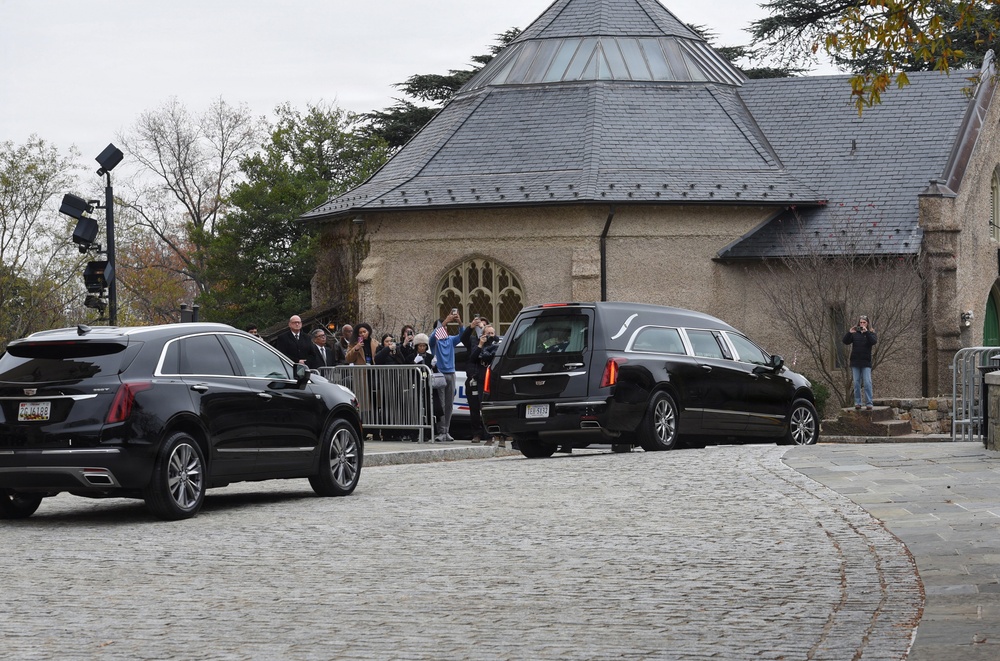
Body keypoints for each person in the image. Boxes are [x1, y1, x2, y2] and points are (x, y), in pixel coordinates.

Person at [430, 310, 465, 442]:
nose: (445, 330)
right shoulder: (435, 342)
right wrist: (445, 321)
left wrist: (459, 321)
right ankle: (441, 431)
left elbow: (462, 335)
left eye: (446, 328)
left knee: (450, 404)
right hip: (440, 374)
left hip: (451, 373)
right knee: (442, 405)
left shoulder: (450, 340)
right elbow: (433, 338)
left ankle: (447, 431)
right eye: (442, 328)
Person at [466, 321, 499, 443]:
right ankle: (486, 435)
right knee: (482, 408)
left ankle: (495, 435)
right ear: (483, 334)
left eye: (492, 333)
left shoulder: (498, 344)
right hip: (481, 380)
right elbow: (473, 358)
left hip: (494, 380)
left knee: (493, 408)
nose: (490, 335)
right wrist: (481, 344)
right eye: (488, 333)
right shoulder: (479, 344)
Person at [843, 315, 878, 410]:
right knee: (856, 383)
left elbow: (873, 341)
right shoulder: (855, 333)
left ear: (867, 323)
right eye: (861, 322)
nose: (862, 324)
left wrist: (866, 332)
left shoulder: (871, 333)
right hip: (855, 361)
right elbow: (845, 341)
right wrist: (849, 333)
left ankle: (869, 403)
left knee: (867, 382)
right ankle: (858, 402)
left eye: (864, 322)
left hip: (866, 362)